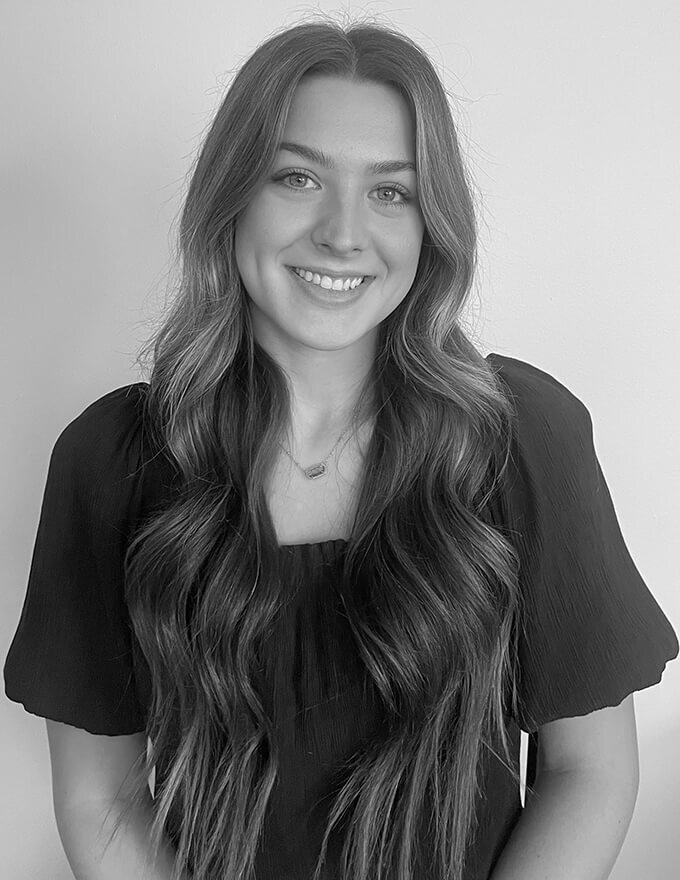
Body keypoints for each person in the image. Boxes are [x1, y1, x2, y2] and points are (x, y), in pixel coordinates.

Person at [4, 14, 678, 880]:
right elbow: (105, 800)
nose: (344, 233)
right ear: (231, 194)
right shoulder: (111, 459)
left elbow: (590, 772)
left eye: (390, 192)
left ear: (430, 223)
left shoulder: (521, 436)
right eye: (297, 178)